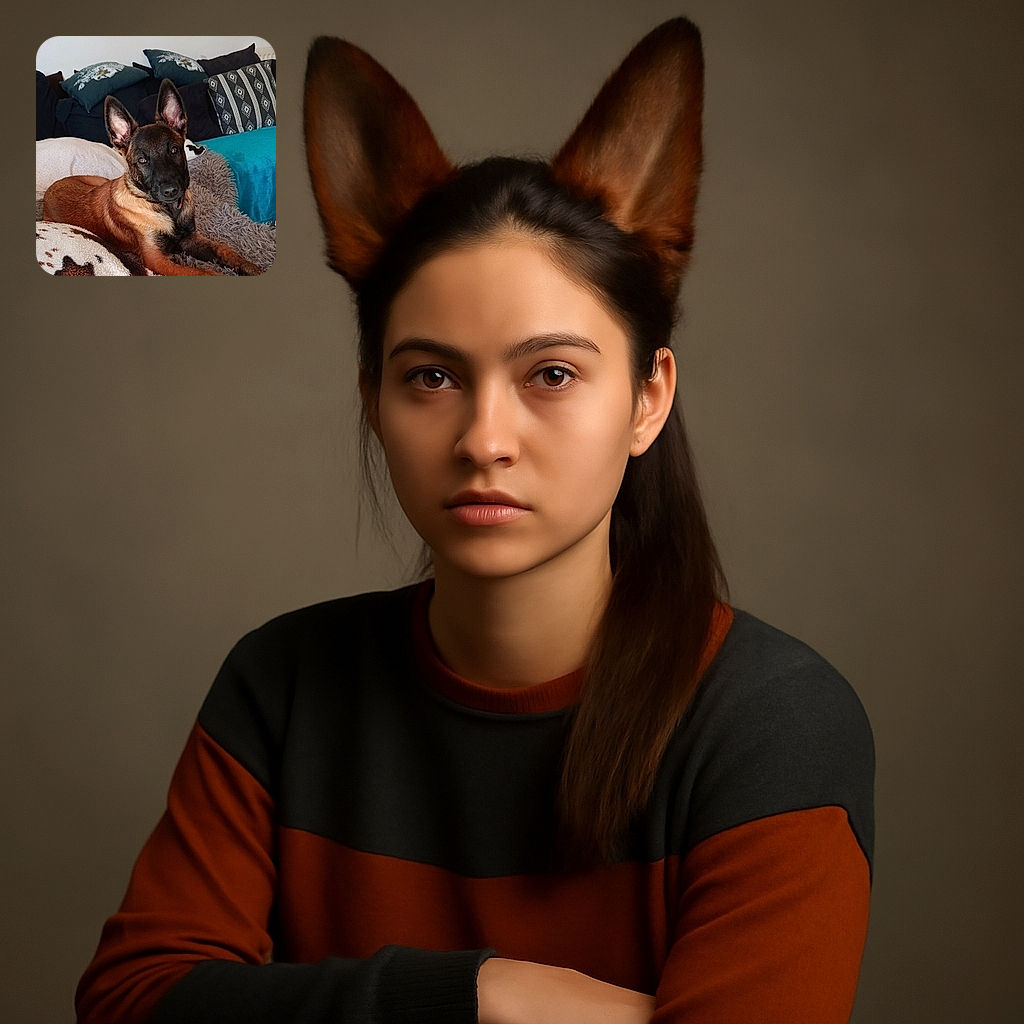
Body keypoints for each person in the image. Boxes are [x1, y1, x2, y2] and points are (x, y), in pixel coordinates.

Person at [75, 18, 874, 1024]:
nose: (483, 438)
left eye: (549, 374)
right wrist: (484, 992)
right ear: (373, 394)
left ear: (646, 399)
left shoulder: (770, 724)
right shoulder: (283, 687)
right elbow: (134, 1002)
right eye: (432, 376)